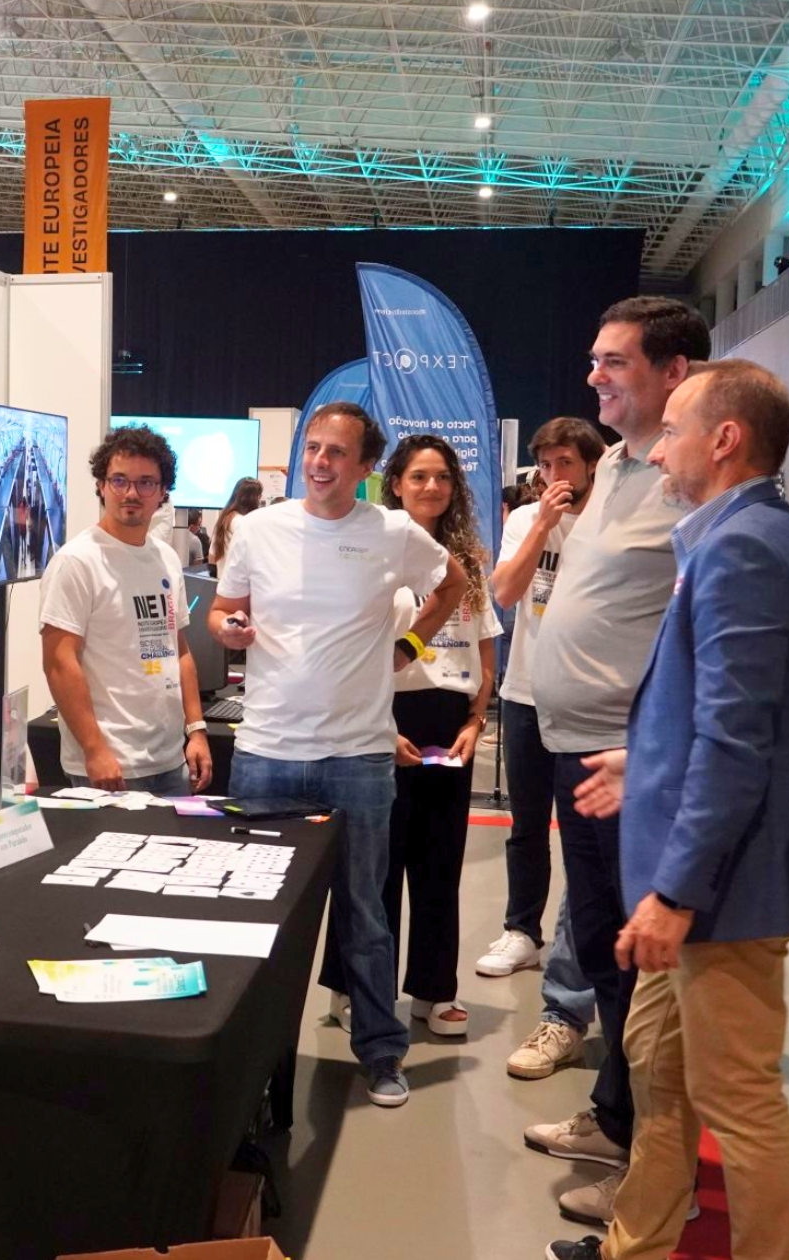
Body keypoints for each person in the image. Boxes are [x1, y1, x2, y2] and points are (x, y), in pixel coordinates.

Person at [546, 361, 789, 1260]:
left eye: (672, 430)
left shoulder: (744, 547)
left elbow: (740, 742)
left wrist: (674, 893)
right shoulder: (734, 537)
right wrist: (648, 762)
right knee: (658, 1073)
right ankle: (638, 1240)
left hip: (722, 886)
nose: (657, 448)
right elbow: (733, 713)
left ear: (725, 439)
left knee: (739, 1102)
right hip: (701, 874)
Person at [210, 403, 469, 1108]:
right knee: (256, 915)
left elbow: (453, 586)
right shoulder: (259, 529)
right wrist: (229, 628)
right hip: (266, 751)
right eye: (313, 448)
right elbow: (223, 608)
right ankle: (248, 1064)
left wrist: (409, 647)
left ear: (362, 468)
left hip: (358, 754)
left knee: (365, 913)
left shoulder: (391, 532)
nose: (320, 461)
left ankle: (383, 1054)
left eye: (337, 452)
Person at [521, 297, 708, 1229]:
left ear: (674, 372)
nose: (595, 375)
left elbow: (708, 641)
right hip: (571, 747)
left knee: (638, 973)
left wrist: (650, 752)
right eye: (594, 360)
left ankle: (646, 1165)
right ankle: (613, 1116)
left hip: (627, 766)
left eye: (615, 363)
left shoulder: (688, 484)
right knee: (599, 946)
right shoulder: (620, 471)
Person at [315, 435, 500, 1039]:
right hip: (381, 719)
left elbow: (484, 651)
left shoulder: (468, 559)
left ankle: (434, 990)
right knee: (373, 866)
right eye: (418, 476)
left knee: (439, 863)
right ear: (394, 483)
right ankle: (351, 985)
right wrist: (379, 725)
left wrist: (475, 721)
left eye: (442, 477)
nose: (431, 487)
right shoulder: (373, 548)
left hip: (451, 726)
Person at [483, 419, 608, 1087]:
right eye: (547, 463)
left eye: (568, 461)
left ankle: (574, 973)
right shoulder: (530, 516)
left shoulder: (613, 519)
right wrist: (538, 526)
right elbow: (503, 592)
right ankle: (520, 930)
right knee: (527, 826)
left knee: (585, 840)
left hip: (586, 705)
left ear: (593, 463)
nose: (557, 472)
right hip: (526, 692)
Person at [39, 426, 213, 795]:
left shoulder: (165, 558)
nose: (131, 493)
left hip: (169, 760)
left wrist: (196, 729)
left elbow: (178, 650)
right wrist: (94, 749)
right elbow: (58, 662)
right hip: (111, 764)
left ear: (163, 491)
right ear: (101, 485)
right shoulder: (76, 561)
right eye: (119, 480)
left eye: (146, 482)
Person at [211, 476, 265, 569]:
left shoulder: (224, 519)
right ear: (254, 499)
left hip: (223, 579)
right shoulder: (243, 522)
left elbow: (212, 556)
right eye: (259, 497)